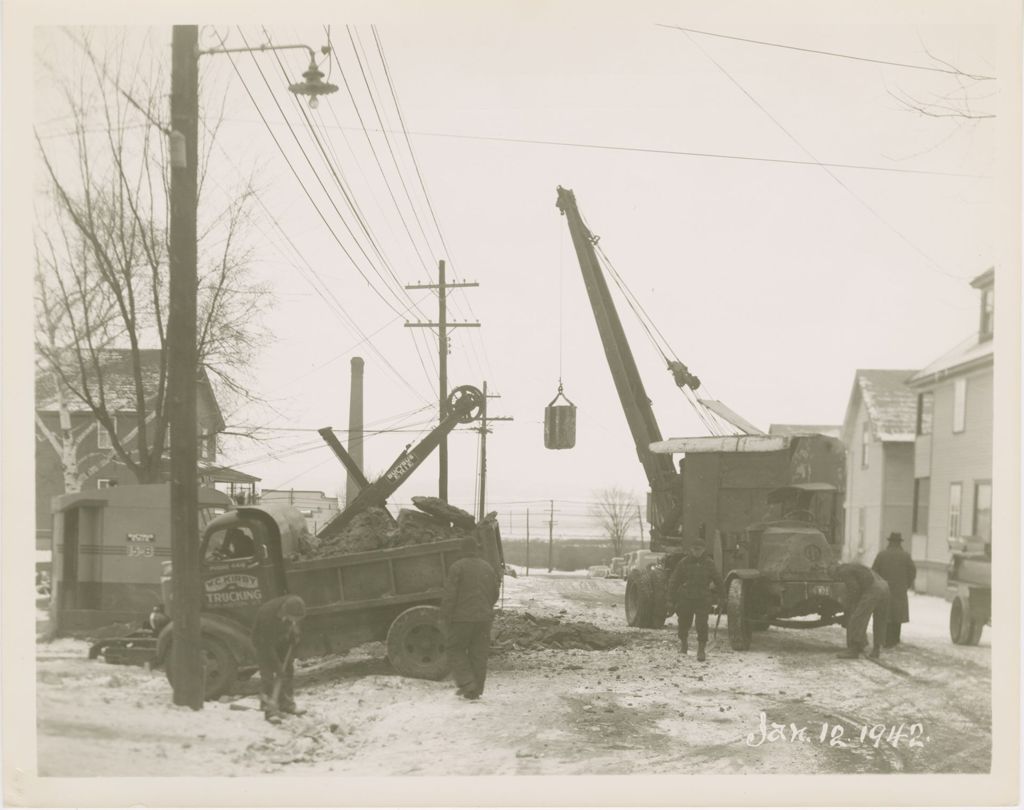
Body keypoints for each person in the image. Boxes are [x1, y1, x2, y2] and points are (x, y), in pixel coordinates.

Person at [441, 535, 499, 700]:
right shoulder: (487, 567)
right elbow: (495, 594)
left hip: (462, 619)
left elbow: (450, 595)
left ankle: (468, 684)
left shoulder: (457, 567)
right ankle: (476, 690)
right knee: (479, 653)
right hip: (484, 619)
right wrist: (485, 607)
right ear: (476, 549)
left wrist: (445, 615)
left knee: (455, 648)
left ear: (463, 550)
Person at [251, 594, 307, 723]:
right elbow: (267, 647)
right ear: (284, 611)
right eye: (292, 618)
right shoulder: (267, 614)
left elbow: (296, 624)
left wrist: (295, 634)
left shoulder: (296, 605)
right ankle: (269, 711)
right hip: (263, 642)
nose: (294, 620)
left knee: (288, 672)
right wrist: (277, 668)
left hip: (281, 639)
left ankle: (287, 705)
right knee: (268, 676)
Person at [668, 539, 723, 662]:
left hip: (702, 599)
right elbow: (674, 581)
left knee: (702, 624)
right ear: (691, 550)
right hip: (686, 598)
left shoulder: (709, 563)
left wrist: (723, 596)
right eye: (694, 549)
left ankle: (701, 650)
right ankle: (684, 644)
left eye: (699, 549)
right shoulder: (684, 563)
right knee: (683, 622)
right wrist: (670, 599)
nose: (697, 552)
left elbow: (718, 580)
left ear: (704, 550)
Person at [829, 562, 890, 659]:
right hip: (885, 586)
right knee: (880, 620)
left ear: (834, 571)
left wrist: (852, 607)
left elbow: (855, 590)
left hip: (873, 589)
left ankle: (853, 650)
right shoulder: (852, 566)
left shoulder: (843, 571)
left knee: (857, 618)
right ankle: (876, 650)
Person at [872, 532, 917, 647]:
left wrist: (879, 585)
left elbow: (874, 572)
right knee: (897, 615)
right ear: (899, 543)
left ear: (890, 542)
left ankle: (885, 640)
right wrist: (906, 584)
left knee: (885, 615)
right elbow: (912, 572)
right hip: (900, 591)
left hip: (884, 589)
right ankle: (895, 639)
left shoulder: (881, 555)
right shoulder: (905, 556)